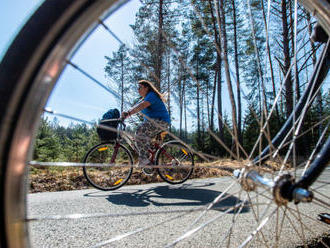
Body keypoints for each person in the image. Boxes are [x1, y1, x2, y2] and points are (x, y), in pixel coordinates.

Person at [121, 80, 170, 174]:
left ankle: (144, 160)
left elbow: (141, 106)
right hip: (154, 122)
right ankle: (150, 163)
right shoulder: (144, 98)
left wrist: (128, 113)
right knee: (145, 142)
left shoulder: (151, 95)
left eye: (140, 87)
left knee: (140, 131)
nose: (138, 90)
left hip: (161, 121)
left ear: (146, 88)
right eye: (137, 88)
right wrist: (125, 115)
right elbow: (136, 107)